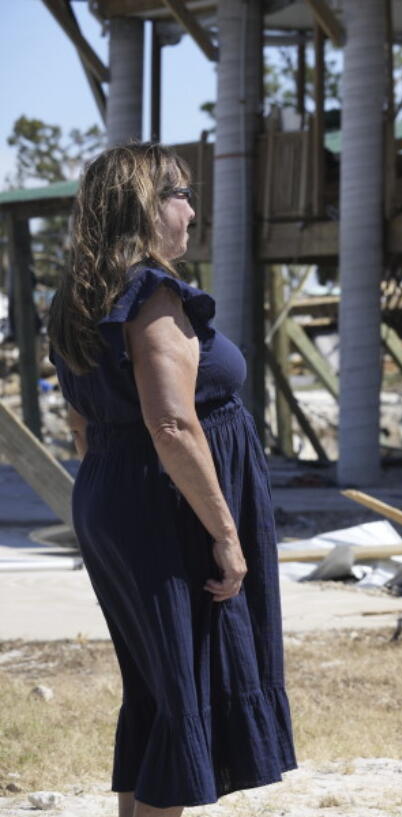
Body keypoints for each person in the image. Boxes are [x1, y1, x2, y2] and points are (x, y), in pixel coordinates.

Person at [47, 143, 295, 816]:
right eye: (180, 194)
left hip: (115, 491)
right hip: (168, 505)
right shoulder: (151, 294)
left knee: (159, 691)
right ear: (145, 208)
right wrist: (225, 532)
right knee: (183, 691)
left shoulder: (77, 294)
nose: (191, 210)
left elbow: (80, 419)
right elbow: (174, 425)